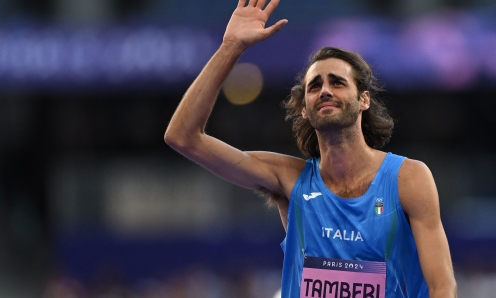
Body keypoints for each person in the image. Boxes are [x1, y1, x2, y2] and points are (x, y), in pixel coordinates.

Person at [164, 0, 457, 297]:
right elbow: (183, 137)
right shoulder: (289, 178)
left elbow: (442, 286)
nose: (325, 90)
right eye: (314, 86)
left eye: (337, 82)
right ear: (305, 108)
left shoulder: (408, 178)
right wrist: (231, 47)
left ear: (364, 100)